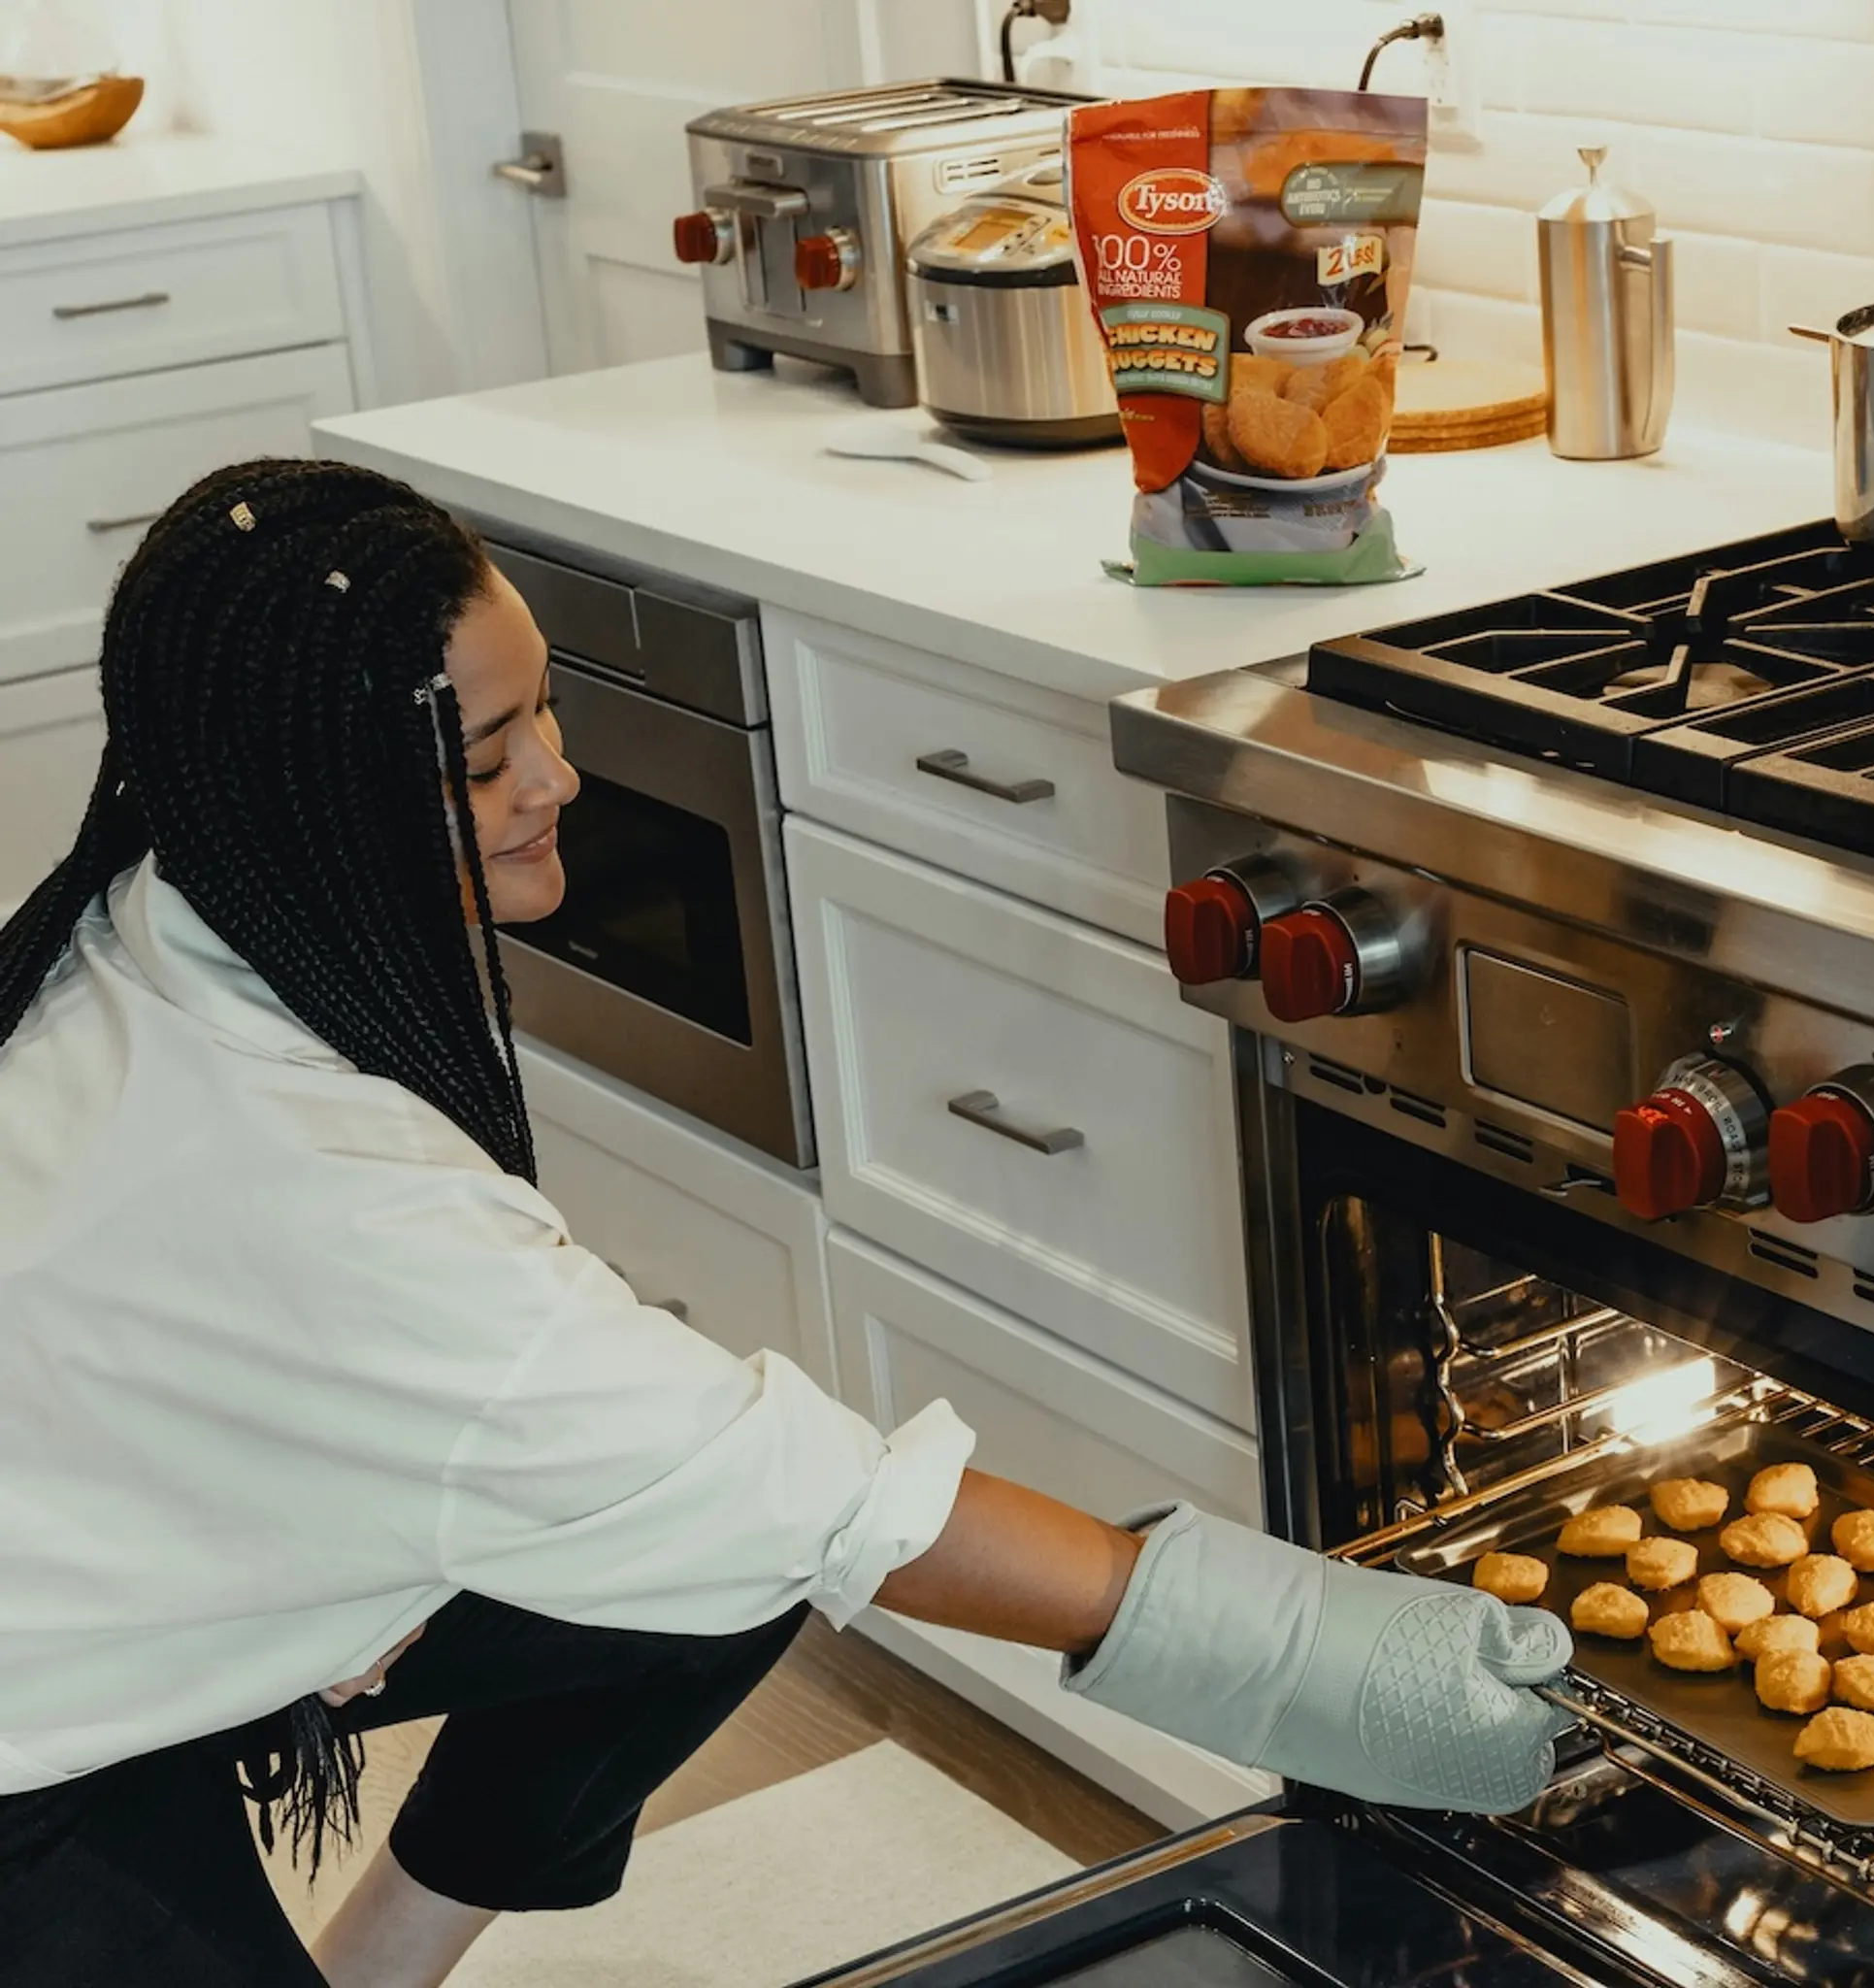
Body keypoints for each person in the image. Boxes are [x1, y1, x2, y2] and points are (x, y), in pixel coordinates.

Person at [0, 460, 1571, 1988]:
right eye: (484, 759)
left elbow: (718, 1502)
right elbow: (823, 1501)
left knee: (695, 1579)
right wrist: (1307, 1655)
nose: (555, 776)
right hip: (32, 1748)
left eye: (541, 707)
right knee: (747, 1521)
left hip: (113, 1555)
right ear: (307, 795)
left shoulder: (166, 906)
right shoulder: (319, 1195)